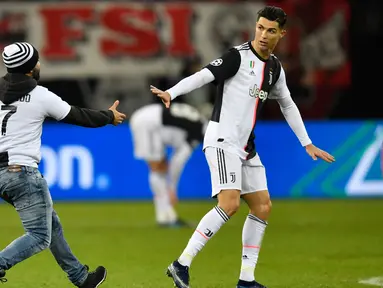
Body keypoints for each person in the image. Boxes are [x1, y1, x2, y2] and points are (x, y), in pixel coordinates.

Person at [150, 6, 335, 288]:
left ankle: (246, 280)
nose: (262, 34)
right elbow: (203, 75)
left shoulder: (274, 68)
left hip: (246, 146)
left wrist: (306, 143)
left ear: (281, 34)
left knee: (262, 206)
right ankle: (181, 264)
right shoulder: (237, 57)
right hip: (223, 140)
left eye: (270, 30)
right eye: (260, 27)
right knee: (230, 203)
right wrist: (171, 93)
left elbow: (286, 103)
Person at [0, 42, 126, 287]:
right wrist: (109, 117)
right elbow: (77, 115)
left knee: (50, 222)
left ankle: (81, 278)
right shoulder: (40, 95)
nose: (39, 65)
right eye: (36, 61)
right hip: (21, 172)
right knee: (38, 236)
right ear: (28, 69)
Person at [130, 102, 206, 227]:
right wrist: (172, 188)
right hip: (149, 123)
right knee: (157, 168)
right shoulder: (198, 132)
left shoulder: (200, 123)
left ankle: (166, 216)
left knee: (161, 168)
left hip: (151, 116)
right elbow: (178, 161)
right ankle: (166, 217)